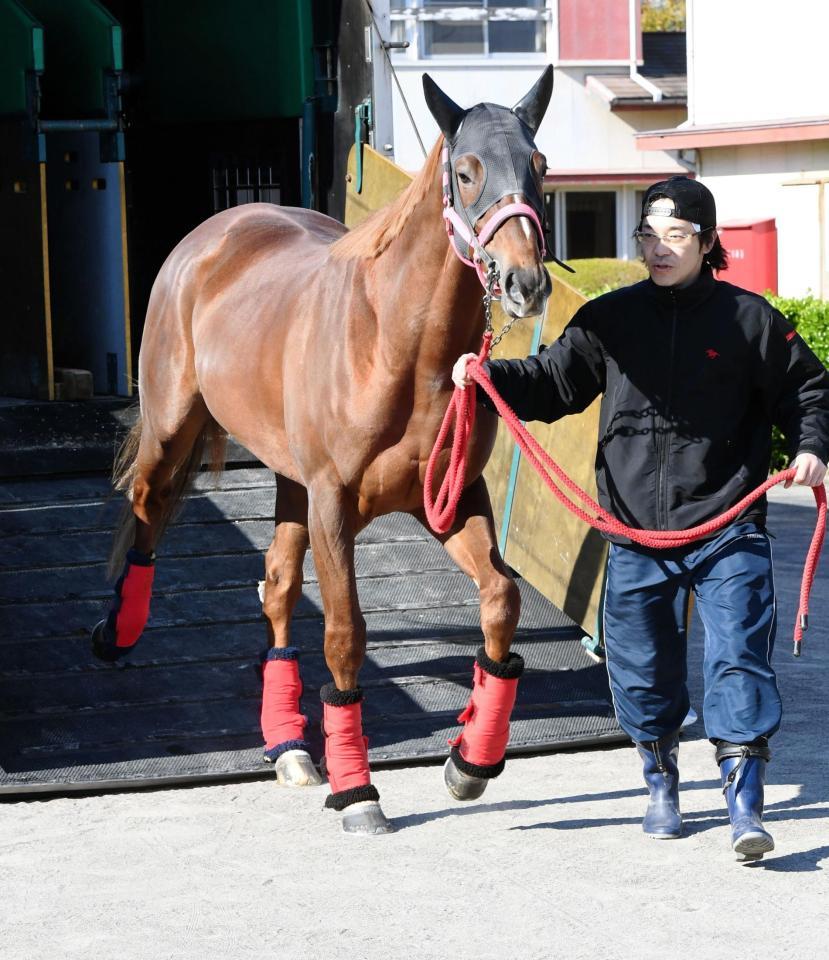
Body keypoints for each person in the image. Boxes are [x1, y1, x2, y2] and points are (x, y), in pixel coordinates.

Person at [452, 177, 829, 861]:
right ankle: (659, 773)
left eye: (674, 235)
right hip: (631, 531)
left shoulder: (751, 320)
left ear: (707, 243)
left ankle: (743, 801)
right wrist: (487, 378)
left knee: (737, 659)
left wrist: (811, 448)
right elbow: (553, 381)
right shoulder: (610, 319)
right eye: (646, 235)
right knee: (641, 667)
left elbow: (809, 389)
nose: (657, 248)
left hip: (726, 525)